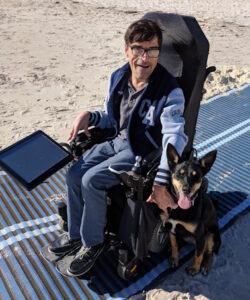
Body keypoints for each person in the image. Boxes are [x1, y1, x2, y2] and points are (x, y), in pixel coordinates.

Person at [49, 19, 188, 276]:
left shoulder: (170, 91)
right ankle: (77, 236)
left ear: (159, 52)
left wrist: (161, 181)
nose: (144, 58)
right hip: (117, 140)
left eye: (152, 50)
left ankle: (93, 243)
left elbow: (175, 137)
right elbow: (112, 120)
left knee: (91, 180)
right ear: (127, 50)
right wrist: (88, 116)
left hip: (142, 151)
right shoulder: (119, 77)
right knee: (73, 174)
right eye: (138, 49)